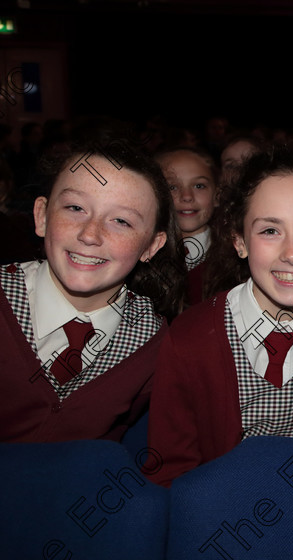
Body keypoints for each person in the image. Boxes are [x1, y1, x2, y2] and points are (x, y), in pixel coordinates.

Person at [147, 148, 293, 486]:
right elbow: (171, 472)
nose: (292, 254)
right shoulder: (189, 338)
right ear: (239, 240)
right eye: (270, 231)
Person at [0, 139, 182, 442]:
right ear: (42, 216)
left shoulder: (152, 341)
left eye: (121, 221)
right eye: (75, 208)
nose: (90, 234)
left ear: (151, 246)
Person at [156, 147, 219, 306]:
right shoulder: (141, 257)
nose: (186, 196)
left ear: (217, 196)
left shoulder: (234, 261)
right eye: (172, 187)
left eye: (199, 186)